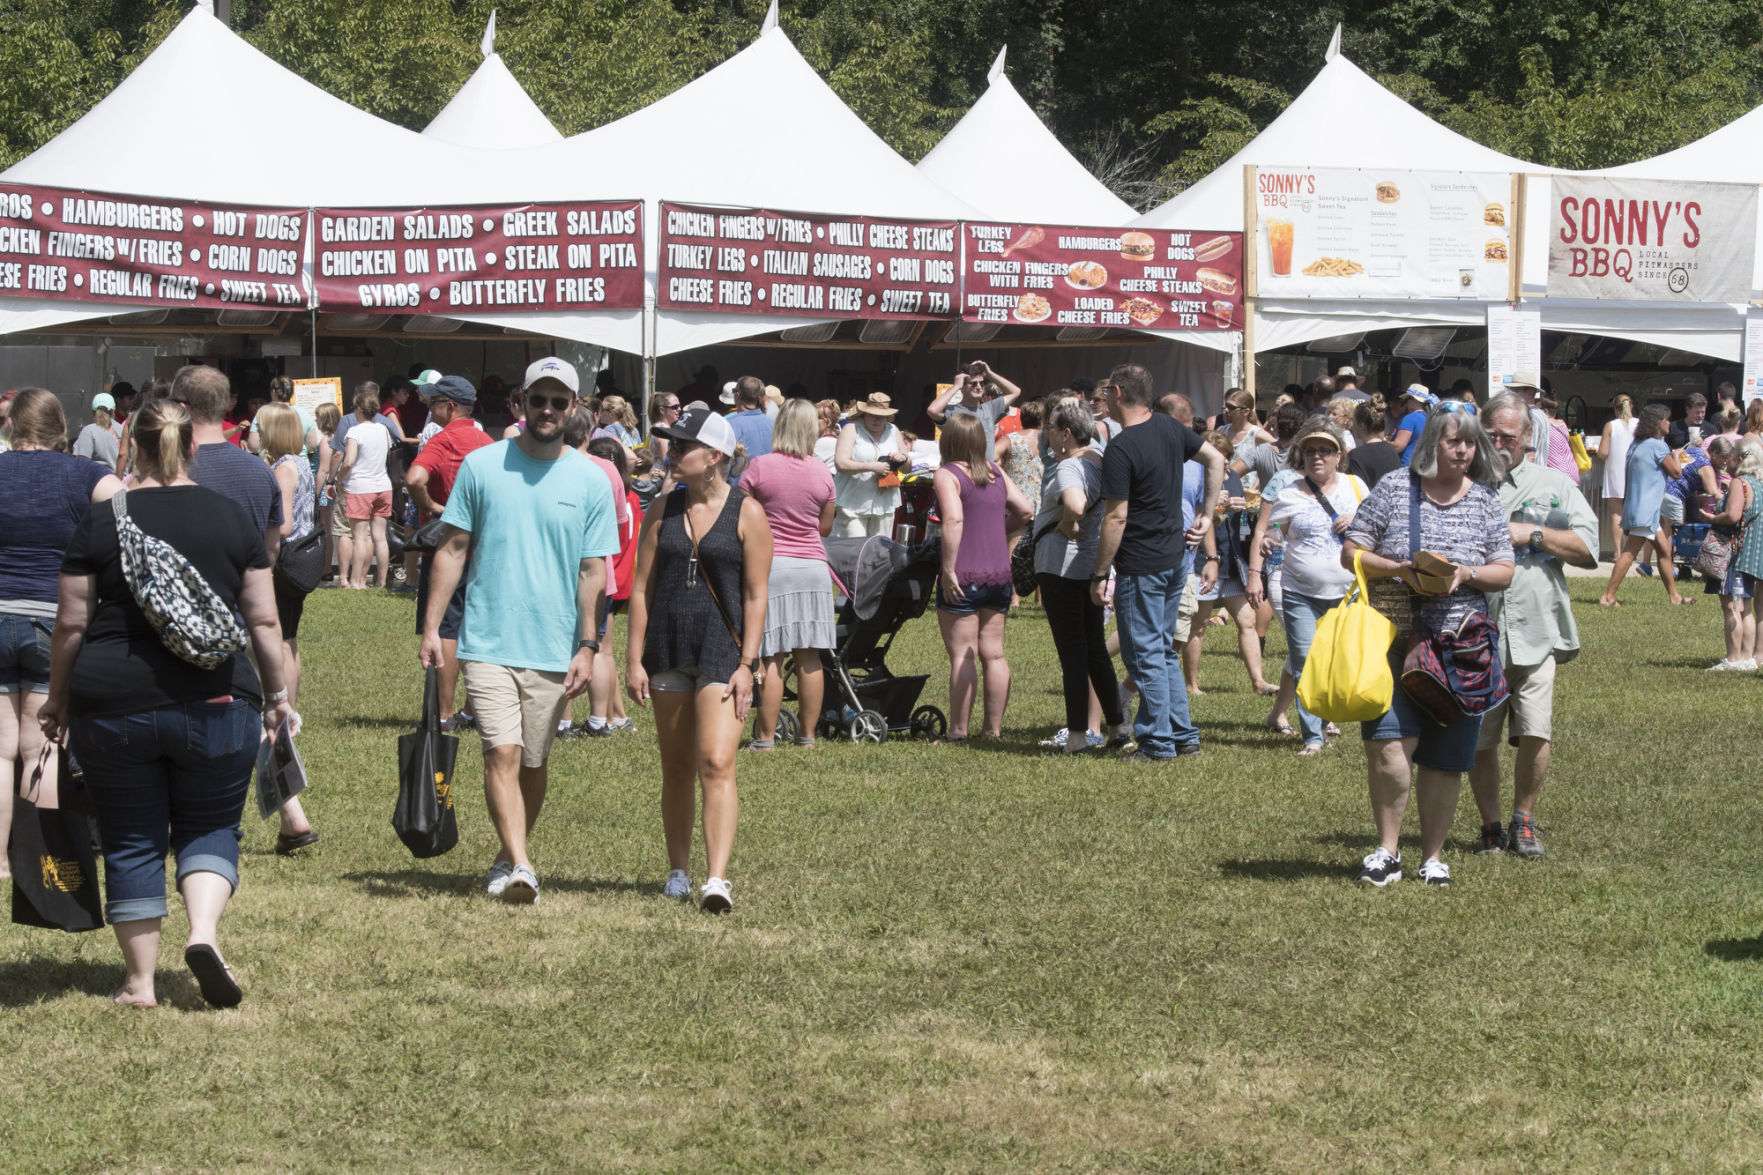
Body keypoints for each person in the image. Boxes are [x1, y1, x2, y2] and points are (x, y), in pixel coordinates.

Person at [39, 397, 292, 1007]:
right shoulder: (232, 518)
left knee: (131, 838)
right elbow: (263, 621)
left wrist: (57, 699)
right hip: (219, 699)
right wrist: (278, 694)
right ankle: (202, 933)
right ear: (193, 448)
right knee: (209, 826)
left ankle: (141, 983)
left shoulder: (103, 521)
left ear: (133, 446)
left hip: (112, 704)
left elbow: (71, 625)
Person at [420, 356, 618, 905]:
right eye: (539, 400)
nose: (548, 410)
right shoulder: (482, 467)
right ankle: (524, 866)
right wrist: (433, 628)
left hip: (555, 645)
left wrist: (587, 644)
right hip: (487, 638)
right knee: (500, 754)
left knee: (533, 760)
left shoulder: (592, 479)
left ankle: (509, 854)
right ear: (520, 405)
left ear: (574, 409)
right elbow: (453, 547)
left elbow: (592, 570)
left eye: (559, 401)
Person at [1341, 409, 1515, 887]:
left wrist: (1465, 574)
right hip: (1393, 640)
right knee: (1389, 747)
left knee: (1445, 759)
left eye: (1470, 444)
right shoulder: (1397, 488)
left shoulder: (1484, 500)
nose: (1462, 451)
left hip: (1461, 650)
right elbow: (1351, 550)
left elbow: (1505, 568)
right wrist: (1398, 569)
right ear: (1430, 445)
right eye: (1452, 442)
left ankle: (1433, 856)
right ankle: (1387, 851)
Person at [625, 407, 771, 913]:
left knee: (716, 760)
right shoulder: (662, 508)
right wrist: (633, 659)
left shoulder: (747, 511)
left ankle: (716, 878)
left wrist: (748, 663)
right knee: (677, 766)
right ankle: (678, 870)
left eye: (682, 445)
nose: (672, 452)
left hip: (722, 650)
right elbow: (640, 588)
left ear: (714, 458)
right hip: (667, 646)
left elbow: (756, 595)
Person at [1469, 394, 1600, 858]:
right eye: (1493, 435)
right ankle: (1490, 825)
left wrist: (1533, 533)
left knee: (1536, 730)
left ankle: (1523, 820)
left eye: (1510, 436)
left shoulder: (1554, 485)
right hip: (1474, 634)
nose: (1501, 443)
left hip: (1538, 630)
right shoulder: (1461, 486)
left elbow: (1589, 547)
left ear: (1528, 439)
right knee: (1479, 737)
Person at [0, 389, 121, 876]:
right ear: (61, 429)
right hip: (55, 621)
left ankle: (0, 864)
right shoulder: (85, 474)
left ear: (11, 428)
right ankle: (38, 862)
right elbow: (125, 505)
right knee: (41, 745)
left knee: (1, 746)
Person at [1090, 364, 1224, 761]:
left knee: (1145, 652)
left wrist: (1100, 572)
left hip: (1142, 563)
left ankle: (1156, 743)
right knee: (1163, 650)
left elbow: (1116, 517)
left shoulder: (1122, 447)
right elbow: (1216, 459)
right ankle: (1183, 737)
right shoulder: (1170, 428)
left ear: (1116, 392)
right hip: (1173, 558)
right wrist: (1207, 512)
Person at [1247, 419, 1368, 755]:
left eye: (1325, 451)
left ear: (1338, 455)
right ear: (1302, 455)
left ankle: (1327, 713)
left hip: (1348, 594)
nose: (1318, 457)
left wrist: (1356, 523)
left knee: (1338, 661)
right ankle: (1313, 737)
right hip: (1299, 590)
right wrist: (1268, 545)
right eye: (1311, 451)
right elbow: (1271, 532)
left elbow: (1378, 530)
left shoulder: (1356, 487)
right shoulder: (1288, 492)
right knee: (1304, 661)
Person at [739, 399, 836, 750]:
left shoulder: (760, 467)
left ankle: (765, 737)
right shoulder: (823, 472)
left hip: (772, 566)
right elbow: (824, 527)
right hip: (813, 568)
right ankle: (807, 736)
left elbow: (740, 516)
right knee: (810, 656)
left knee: (771, 656)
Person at [1034, 399, 1129, 753]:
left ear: (1067, 434)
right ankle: (1117, 729)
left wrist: (1064, 522)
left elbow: (1074, 504)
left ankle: (1077, 737)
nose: (1047, 434)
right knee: (1094, 651)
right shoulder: (1100, 459)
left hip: (1062, 566)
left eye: (1052, 428)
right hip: (1089, 564)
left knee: (1073, 652)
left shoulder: (1071, 465)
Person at [934, 413, 1033, 743]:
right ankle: (992, 731)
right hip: (998, 575)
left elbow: (953, 520)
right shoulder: (996, 471)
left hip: (963, 573)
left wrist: (947, 570)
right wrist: (997, 531)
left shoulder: (947, 474)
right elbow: (1026, 511)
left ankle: (958, 731)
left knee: (963, 654)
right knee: (995, 654)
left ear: (948, 441)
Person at [406, 375, 493, 730]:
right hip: (485, 550)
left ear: (450, 406)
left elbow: (414, 479)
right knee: (479, 630)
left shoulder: (443, 440)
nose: (428, 408)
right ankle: (474, 710)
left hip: (446, 549)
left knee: (447, 628)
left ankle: (443, 714)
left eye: (433, 402)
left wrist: (431, 506)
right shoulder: (489, 442)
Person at [258, 402, 321, 853]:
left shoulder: (283, 467)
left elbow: (280, 523)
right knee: (291, 638)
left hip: (286, 560)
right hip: (306, 558)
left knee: (278, 637)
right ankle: (291, 704)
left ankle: (285, 705)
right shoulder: (302, 460)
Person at [1182, 431, 1276, 700]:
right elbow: (1195, 518)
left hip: (1233, 560)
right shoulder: (1197, 478)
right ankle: (1192, 685)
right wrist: (1217, 508)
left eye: (1227, 458)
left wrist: (1243, 507)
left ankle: (1258, 682)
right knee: (1199, 624)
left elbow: (1240, 519)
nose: (1224, 463)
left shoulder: (1233, 478)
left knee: (1247, 620)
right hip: (1203, 561)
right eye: (1219, 458)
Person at [1598, 404, 1690, 607]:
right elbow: (1676, 473)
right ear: (1658, 423)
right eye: (1666, 419)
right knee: (1629, 553)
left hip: (1639, 508)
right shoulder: (1658, 446)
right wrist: (1676, 456)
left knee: (1665, 552)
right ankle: (1608, 596)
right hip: (1645, 511)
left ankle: (1675, 597)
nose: (1669, 423)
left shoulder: (1636, 444)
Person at [585, 437, 643, 736]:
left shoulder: (605, 494)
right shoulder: (631, 496)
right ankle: (617, 715)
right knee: (605, 652)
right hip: (622, 578)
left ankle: (607, 718)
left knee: (601, 653)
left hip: (609, 577)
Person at [1706, 439, 1763, 671]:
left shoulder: (1740, 483)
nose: (1727, 461)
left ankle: (1733, 659)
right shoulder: (1759, 484)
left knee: (1731, 607)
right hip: (1752, 554)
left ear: (1739, 459)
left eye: (1730, 457)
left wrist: (1710, 518)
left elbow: (1732, 515)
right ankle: (1747, 658)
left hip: (1735, 553)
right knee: (1745, 607)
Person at [337, 388, 395, 590]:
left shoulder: (355, 431)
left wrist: (337, 480)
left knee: (359, 537)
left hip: (360, 486)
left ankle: (356, 581)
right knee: (380, 537)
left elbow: (348, 461)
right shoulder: (383, 429)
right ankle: (381, 581)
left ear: (359, 409)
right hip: (383, 486)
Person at [833, 393, 907, 537]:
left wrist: (902, 458)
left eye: (882, 416)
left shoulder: (893, 430)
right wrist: (871, 466)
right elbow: (840, 463)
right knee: (853, 551)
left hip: (884, 504)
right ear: (864, 413)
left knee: (879, 552)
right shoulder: (851, 429)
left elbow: (907, 467)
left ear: (888, 416)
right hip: (853, 504)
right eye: (873, 415)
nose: (877, 420)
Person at [926, 361, 1022, 462]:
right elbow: (932, 410)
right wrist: (956, 386)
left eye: (982, 383)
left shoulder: (989, 408)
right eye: (973, 383)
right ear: (962, 387)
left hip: (985, 473)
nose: (979, 387)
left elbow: (1015, 392)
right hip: (962, 474)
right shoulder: (952, 411)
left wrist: (990, 374)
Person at [1599, 394, 1638, 555]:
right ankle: (1631, 552)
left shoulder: (1611, 425)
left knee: (1616, 514)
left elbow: (1603, 452)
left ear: (1615, 408)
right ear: (1632, 406)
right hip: (1636, 473)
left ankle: (1617, 553)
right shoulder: (1640, 424)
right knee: (1633, 514)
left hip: (1616, 472)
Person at [1230, 402, 1303, 489]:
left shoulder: (1261, 451)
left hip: (1268, 502)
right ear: (1301, 427)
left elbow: (1230, 475)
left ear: (1277, 424)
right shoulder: (1307, 454)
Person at [247, 376, 318, 458]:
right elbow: (313, 444)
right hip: (299, 464)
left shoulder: (262, 413)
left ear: (273, 391)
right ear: (292, 392)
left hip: (271, 463)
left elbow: (253, 445)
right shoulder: (304, 413)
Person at [722, 376, 773, 485]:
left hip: (738, 494)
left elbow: (721, 468)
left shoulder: (729, 425)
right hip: (768, 490)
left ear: (738, 395)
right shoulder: (773, 424)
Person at [1348, 394, 1401, 489]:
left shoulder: (1355, 457)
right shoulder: (1391, 450)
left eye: (1354, 422)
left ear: (1362, 425)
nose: (1352, 426)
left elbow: (1356, 492)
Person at [1001, 398, 1045, 505]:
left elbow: (989, 460)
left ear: (1022, 418)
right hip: (1042, 505)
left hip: (1015, 504)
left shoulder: (1011, 439)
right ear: (1042, 420)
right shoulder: (1049, 440)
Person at [73, 392, 122, 471]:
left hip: (98, 481)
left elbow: (82, 463)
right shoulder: (123, 430)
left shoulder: (88, 431)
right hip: (121, 481)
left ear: (93, 412)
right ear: (113, 411)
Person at [1391, 385, 1434, 466]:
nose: (1406, 404)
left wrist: (1383, 443)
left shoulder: (1410, 418)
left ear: (1413, 400)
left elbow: (1398, 446)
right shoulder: (1429, 418)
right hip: (1423, 467)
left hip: (1406, 468)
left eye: (1407, 400)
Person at [812, 399, 842, 473]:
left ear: (828, 421)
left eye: (818, 417)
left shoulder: (823, 443)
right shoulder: (839, 439)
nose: (812, 420)